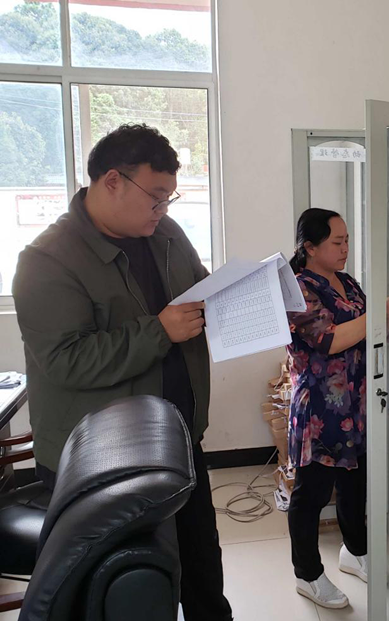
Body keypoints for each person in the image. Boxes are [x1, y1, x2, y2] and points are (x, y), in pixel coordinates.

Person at [12, 124, 233, 621]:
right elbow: (66, 360)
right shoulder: (47, 260)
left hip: (178, 441)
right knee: (119, 592)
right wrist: (160, 331)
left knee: (202, 569)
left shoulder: (166, 235)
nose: (163, 209)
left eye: (169, 197)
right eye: (155, 196)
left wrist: (246, 302)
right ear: (112, 180)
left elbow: (200, 292)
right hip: (103, 465)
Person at [286, 208, 389, 609]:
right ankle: (307, 574)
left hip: (355, 404)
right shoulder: (297, 288)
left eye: (346, 241)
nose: (345, 249)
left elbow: (368, 334)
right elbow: (328, 340)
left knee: (355, 484)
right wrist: (378, 313)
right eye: (337, 242)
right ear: (310, 247)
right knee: (311, 494)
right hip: (319, 410)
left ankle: (355, 551)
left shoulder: (347, 282)